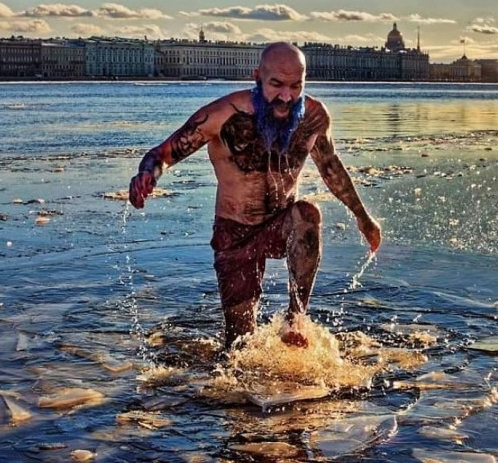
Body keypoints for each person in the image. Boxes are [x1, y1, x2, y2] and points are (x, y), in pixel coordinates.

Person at [129, 42, 381, 350]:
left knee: (307, 215)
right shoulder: (223, 114)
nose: (286, 96)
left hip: (281, 222)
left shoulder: (313, 117)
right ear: (257, 77)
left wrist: (363, 217)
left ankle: (295, 317)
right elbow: (163, 153)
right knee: (239, 344)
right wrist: (146, 175)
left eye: (295, 86)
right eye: (276, 84)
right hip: (234, 231)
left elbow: (331, 168)